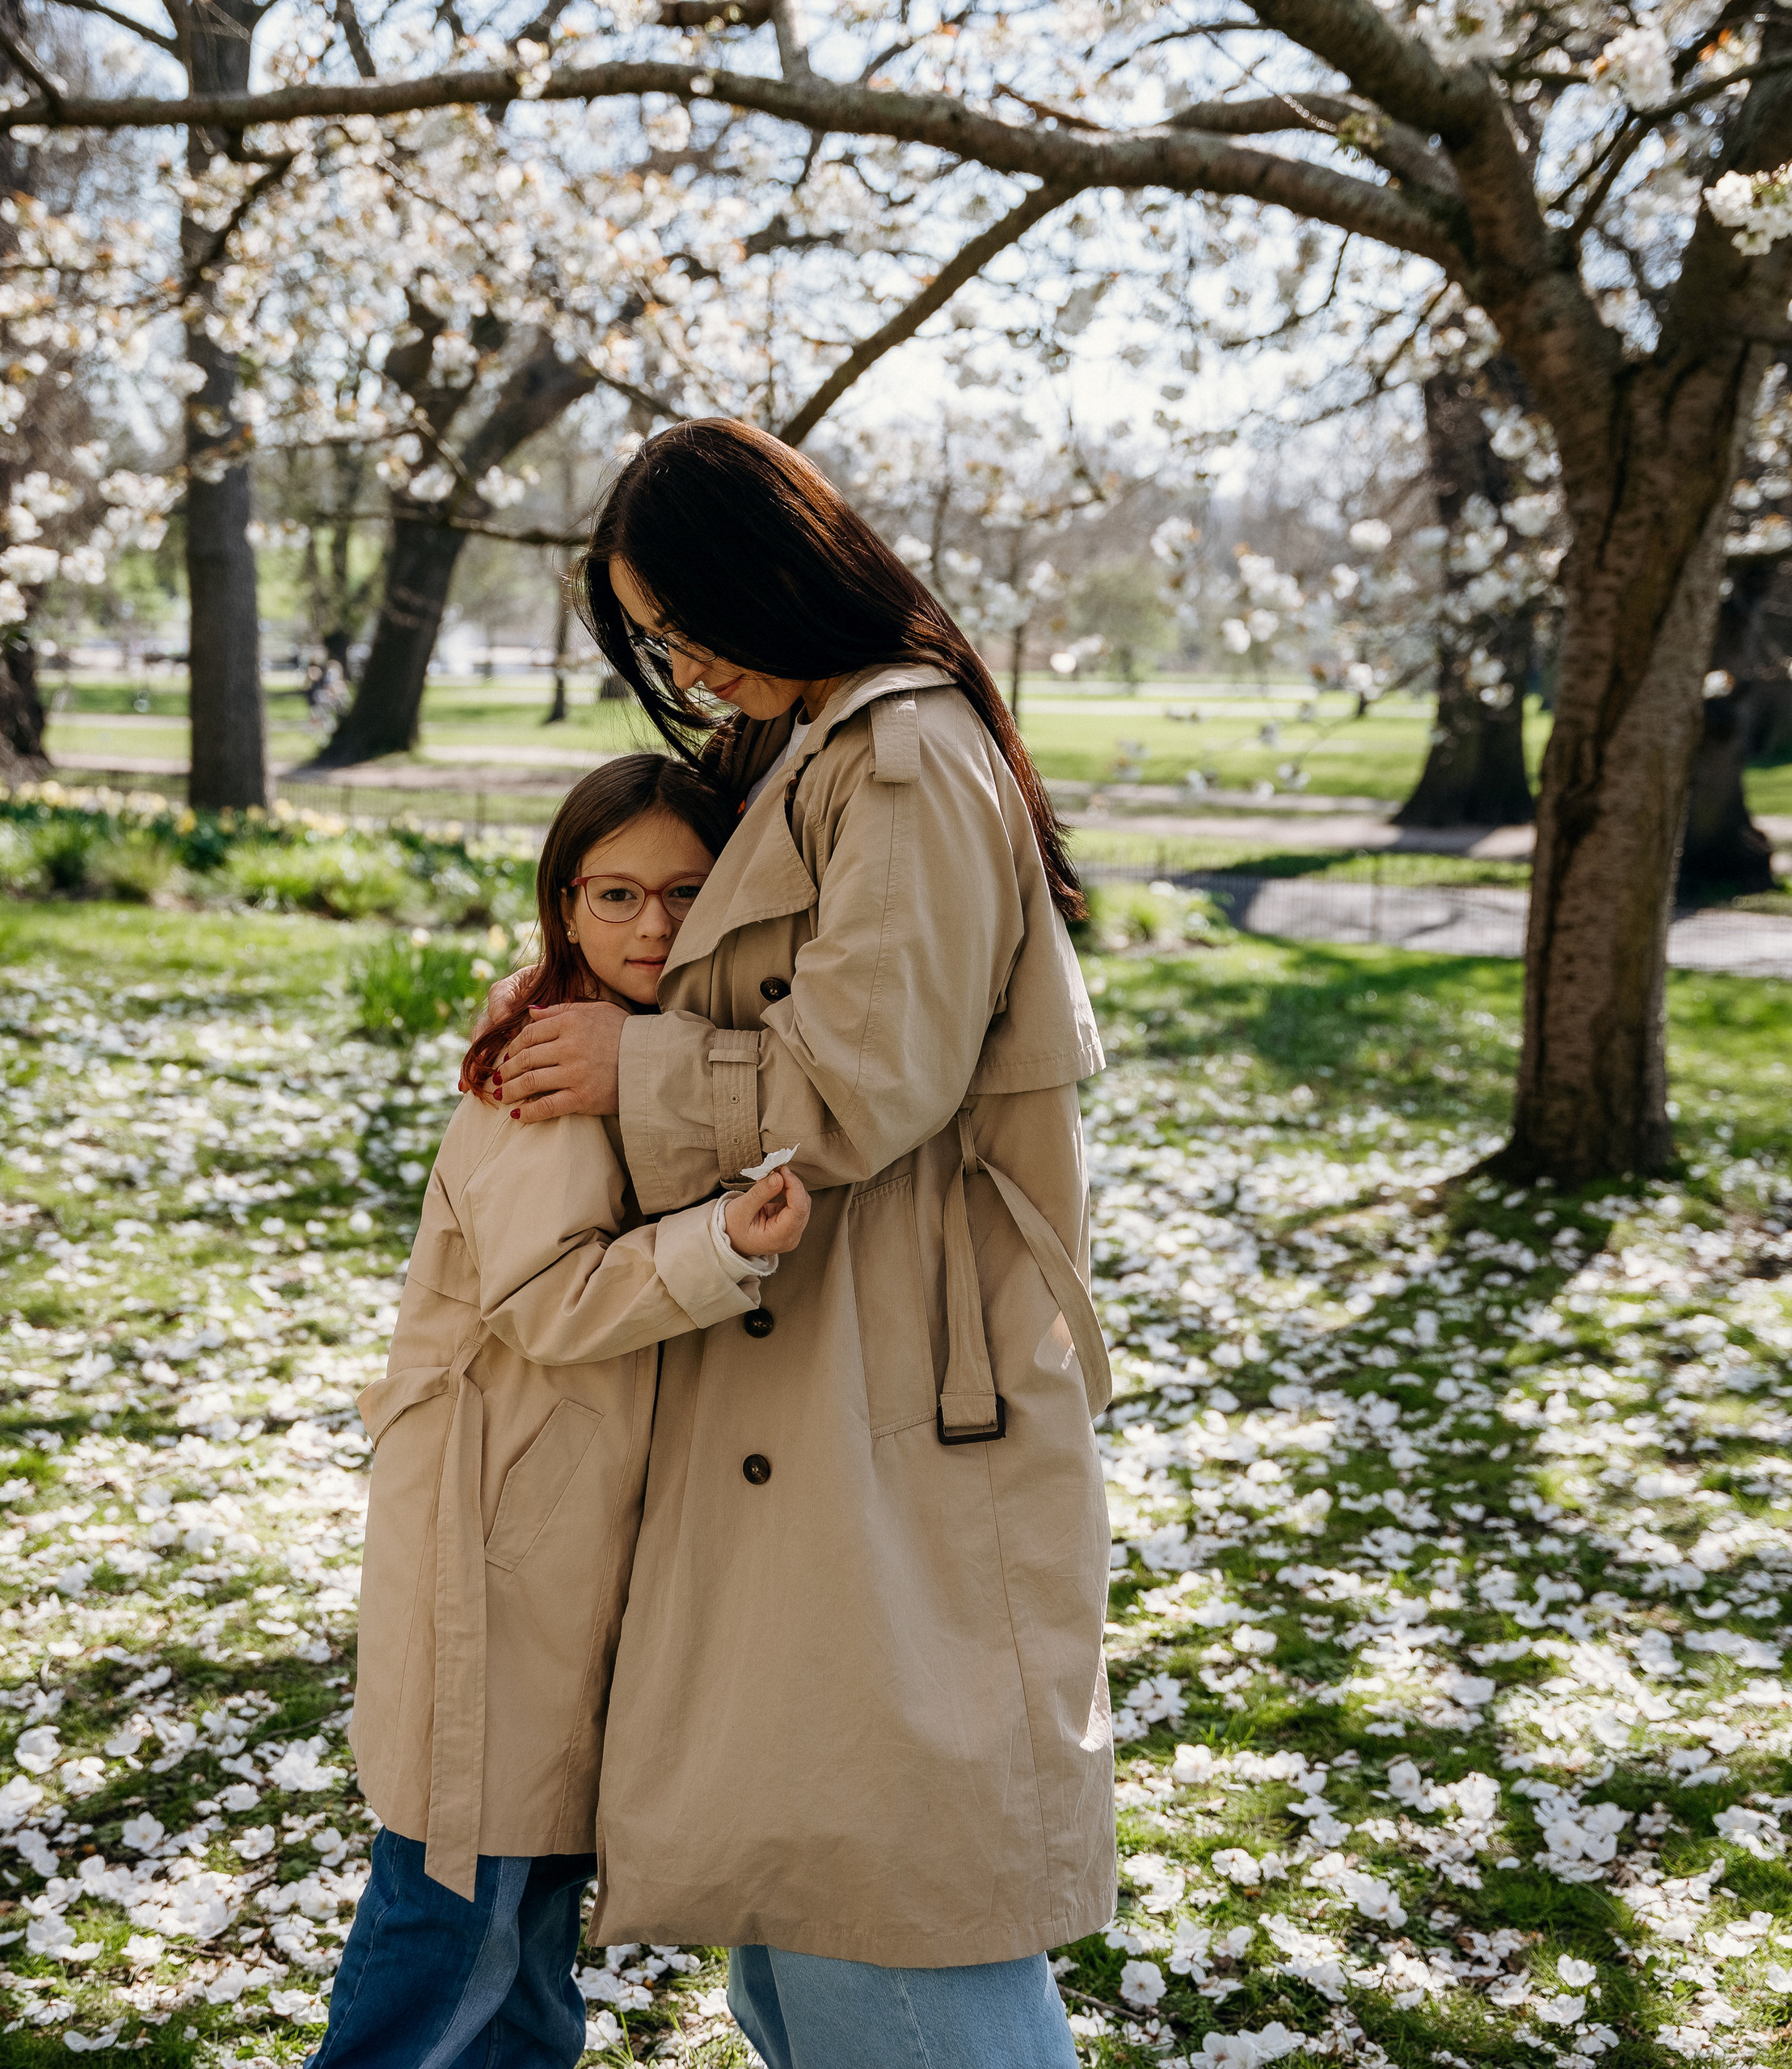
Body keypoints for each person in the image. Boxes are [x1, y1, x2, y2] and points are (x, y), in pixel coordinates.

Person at [495, 419, 1118, 2069]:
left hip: (892, 1374)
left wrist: (634, 1065)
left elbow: (858, 1083)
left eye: (686, 618)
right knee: (809, 1913)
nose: (679, 661)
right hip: (816, 1352)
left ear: (769, 575)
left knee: (888, 1896)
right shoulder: (811, 744)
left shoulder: (897, 753)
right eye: (652, 636)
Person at [314, 753, 812, 2069]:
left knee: (525, 1938)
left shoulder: (629, 1042)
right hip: (501, 1539)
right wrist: (721, 1245)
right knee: (457, 1925)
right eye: (617, 895)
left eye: (688, 894)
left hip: (561, 1538)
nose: (653, 927)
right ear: (565, 899)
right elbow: (545, 1301)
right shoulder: (547, 1059)